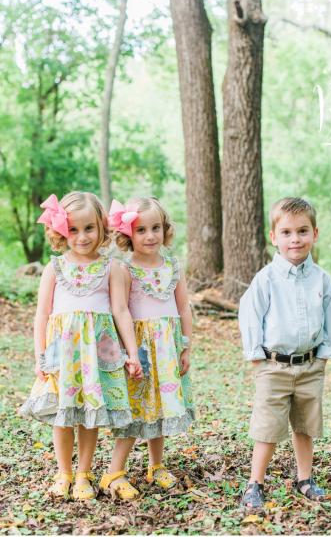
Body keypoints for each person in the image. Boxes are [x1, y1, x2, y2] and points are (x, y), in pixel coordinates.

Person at [19, 192, 142, 500]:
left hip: (98, 354)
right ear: (62, 231)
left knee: (90, 415)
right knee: (64, 415)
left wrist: (132, 351)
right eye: (73, 229)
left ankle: (84, 473)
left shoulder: (111, 268)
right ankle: (64, 473)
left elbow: (121, 311)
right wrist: (40, 356)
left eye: (89, 228)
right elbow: (42, 315)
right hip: (64, 354)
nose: (82, 236)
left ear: (101, 228)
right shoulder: (55, 268)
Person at [238, 197, 331, 510]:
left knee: (305, 425)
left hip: (310, 365)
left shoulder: (321, 279)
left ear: (315, 233)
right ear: (274, 237)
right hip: (274, 365)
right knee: (267, 427)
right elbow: (249, 313)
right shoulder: (266, 279)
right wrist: (255, 353)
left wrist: (324, 352)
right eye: (286, 232)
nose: (294, 239)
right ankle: (255, 483)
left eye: (302, 231)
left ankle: (304, 479)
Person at [102, 197, 195, 499]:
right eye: (141, 230)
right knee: (137, 408)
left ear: (165, 229)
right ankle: (114, 472)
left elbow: (184, 308)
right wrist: (130, 353)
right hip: (139, 349)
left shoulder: (172, 266)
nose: (150, 236)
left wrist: (185, 347)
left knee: (161, 407)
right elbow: (121, 310)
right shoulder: (123, 269)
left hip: (167, 348)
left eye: (156, 228)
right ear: (128, 234)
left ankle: (156, 466)